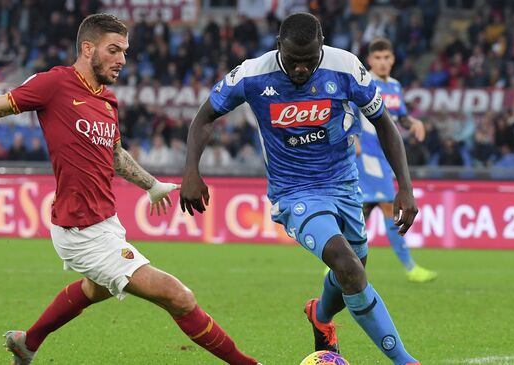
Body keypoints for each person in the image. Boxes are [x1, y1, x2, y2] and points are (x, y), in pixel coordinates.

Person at [0, 13, 260, 365]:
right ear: (88, 48)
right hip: (80, 230)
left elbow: (113, 154)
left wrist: (152, 184)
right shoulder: (54, 84)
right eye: (114, 50)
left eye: (126, 52)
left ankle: (27, 341)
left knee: (93, 290)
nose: (122, 60)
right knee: (178, 296)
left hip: (105, 221)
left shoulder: (107, 100)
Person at [180, 13, 420, 365]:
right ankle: (404, 360)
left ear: (321, 47)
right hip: (294, 192)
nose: (302, 69)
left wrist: (405, 186)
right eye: (294, 61)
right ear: (279, 46)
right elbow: (204, 117)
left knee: (354, 269)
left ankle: (320, 316)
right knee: (347, 265)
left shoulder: (346, 67)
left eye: (310, 60)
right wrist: (191, 171)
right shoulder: (252, 74)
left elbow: (384, 123)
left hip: (343, 183)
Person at [356, 38, 437, 283]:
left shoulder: (394, 87)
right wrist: (352, 137)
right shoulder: (363, 82)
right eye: (377, 58)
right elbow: (346, 110)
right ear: (370, 60)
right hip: (367, 156)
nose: (382, 63)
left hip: (385, 157)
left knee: (363, 212)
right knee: (389, 208)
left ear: (392, 59)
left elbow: (400, 118)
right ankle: (411, 268)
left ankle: (337, 262)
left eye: (386, 58)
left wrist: (414, 123)